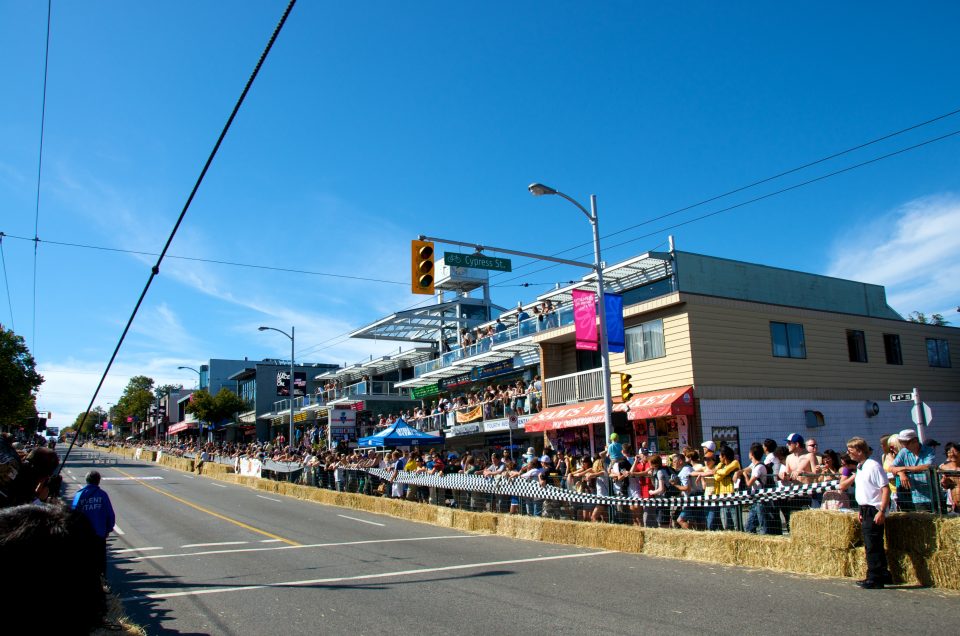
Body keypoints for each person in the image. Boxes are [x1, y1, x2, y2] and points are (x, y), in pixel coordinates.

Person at [847, 436, 892, 589]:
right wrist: (860, 509)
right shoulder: (860, 467)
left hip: (874, 508)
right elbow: (864, 491)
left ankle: (874, 577)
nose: (849, 454)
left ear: (859, 451)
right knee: (872, 542)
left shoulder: (873, 466)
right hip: (865, 508)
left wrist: (881, 510)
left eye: (851, 450)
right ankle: (883, 573)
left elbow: (885, 488)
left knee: (872, 544)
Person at [71, 471, 116, 576]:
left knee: (84, 561)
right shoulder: (102, 495)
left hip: (83, 535)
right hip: (99, 534)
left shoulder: (79, 494)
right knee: (100, 561)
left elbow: (72, 515)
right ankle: (102, 580)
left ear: (86, 480)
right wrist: (109, 529)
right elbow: (110, 514)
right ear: (98, 481)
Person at [890, 429, 935, 512]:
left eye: (906, 442)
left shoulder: (929, 451)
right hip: (918, 496)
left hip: (934, 495)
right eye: (901, 442)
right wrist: (901, 473)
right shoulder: (903, 452)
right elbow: (892, 467)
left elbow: (927, 466)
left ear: (915, 441)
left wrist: (903, 468)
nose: (904, 445)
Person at [939, 442, 959, 513]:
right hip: (953, 505)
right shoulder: (943, 468)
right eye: (949, 452)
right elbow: (945, 487)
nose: (952, 454)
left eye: (955, 451)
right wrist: (944, 482)